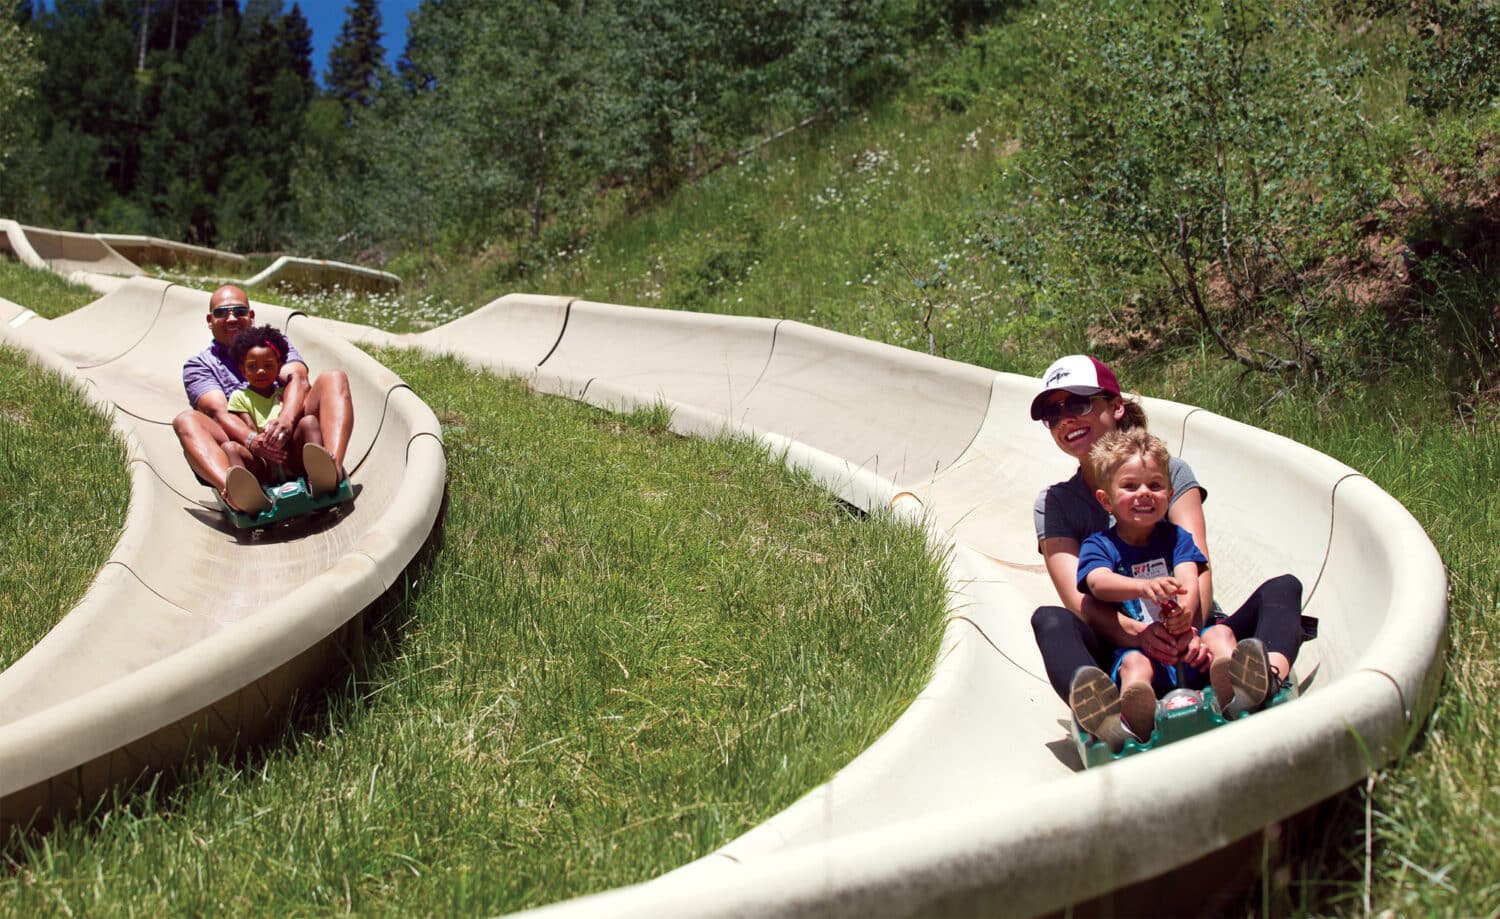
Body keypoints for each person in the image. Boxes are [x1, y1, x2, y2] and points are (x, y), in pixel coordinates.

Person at [1027, 354, 1305, 751]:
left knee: (1283, 589)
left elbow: (1196, 565)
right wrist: (1144, 638)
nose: (1066, 419)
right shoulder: (1055, 504)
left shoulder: (1168, 474)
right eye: (1053, 414)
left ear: (1115, 406)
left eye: (1078, 404)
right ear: (1106, 500)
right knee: (1050, 620)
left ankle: (1263, 677)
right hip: (1123, 651)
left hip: (1197, 635)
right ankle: (1105, 712)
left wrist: (1184, 630)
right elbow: (1079, 599)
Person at [1072, 428, 1273, 746]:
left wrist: (1185, 613)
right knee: (1132, 664)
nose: (1144, 493)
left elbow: (1189, 577)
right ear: (1106, 500)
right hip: (1144, 652)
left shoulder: (1176, 538)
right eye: (1129, 486)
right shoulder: (1100, 545)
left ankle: (1235, 688)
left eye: (1155, 485)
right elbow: (1098, 582)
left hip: (1192, 651)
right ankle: (1136, 714)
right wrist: (1142, 587)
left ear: (1168, 493)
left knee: (1220, 635)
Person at [174, 284, 352, 514]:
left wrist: (286, 420)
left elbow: (298, 378)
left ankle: (330, 469)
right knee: (185, 421)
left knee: (333, 378)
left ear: (251, 316)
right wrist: (252, 440)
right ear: (210, 320)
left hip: (292, 440)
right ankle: (236, 493)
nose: (231, 318)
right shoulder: (199, 366)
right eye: (221, 313)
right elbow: (219, 412)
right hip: (245, 453)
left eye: (239, 311)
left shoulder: (273, 345)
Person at [222, 324, 343, 506]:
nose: (260, 371)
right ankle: (249, 494)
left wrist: (283, 435)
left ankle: (319, 476)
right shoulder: (239, 397)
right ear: (242, 369)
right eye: (253, 367)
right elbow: (248, 431)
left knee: (309, 422)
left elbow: (295, 421)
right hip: (263, 463)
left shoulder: (285, 392)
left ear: (279, 366)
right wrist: (265, 439)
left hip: (290, 458)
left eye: (268, 365)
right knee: (230, 448)